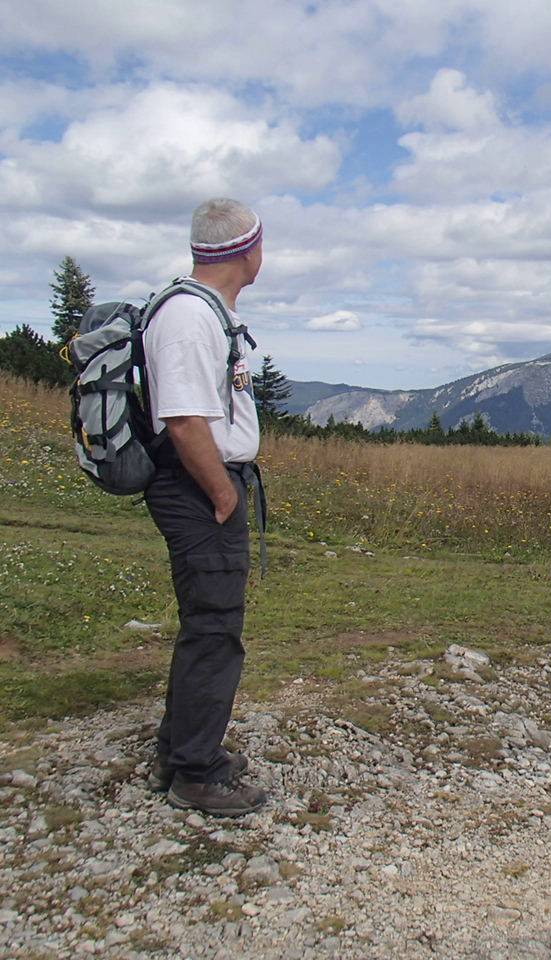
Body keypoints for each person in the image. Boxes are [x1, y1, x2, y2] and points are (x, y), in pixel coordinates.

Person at [142, 198, 268, 817]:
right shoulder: (191, 317)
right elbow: (185, 421)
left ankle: (180, 750)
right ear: (247, 250)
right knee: (216, 628)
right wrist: (223, 492)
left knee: (207, 624)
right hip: (198, 487)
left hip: (201, 483)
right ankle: (196, 773)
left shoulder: (202, 311)